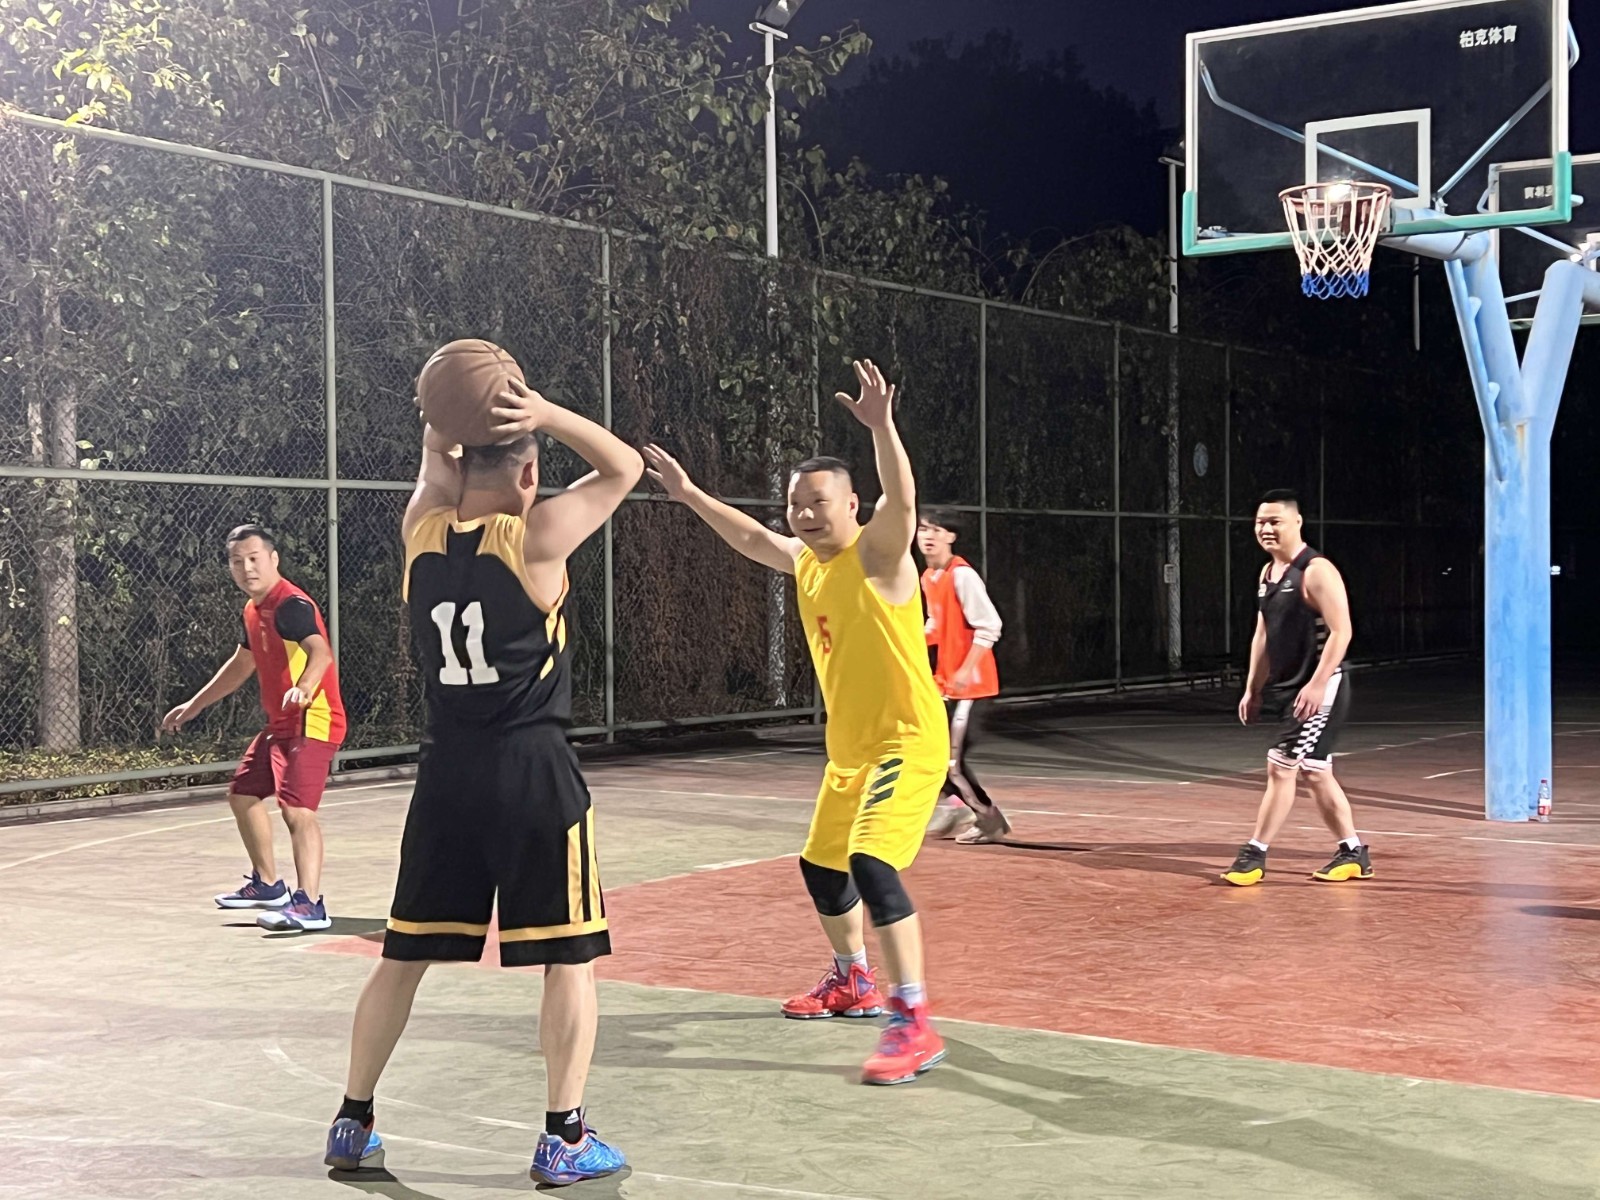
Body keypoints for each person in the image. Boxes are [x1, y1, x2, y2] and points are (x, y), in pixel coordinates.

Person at [324, 377, 642, 1184]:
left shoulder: (421, 532)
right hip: (532, 772)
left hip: (446, 777)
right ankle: (564, 1137)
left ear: (459, 463)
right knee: (568, 958)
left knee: (402, 957)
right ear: (530, 473)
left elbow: (435, 463)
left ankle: (352, 1122)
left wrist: (444, 413)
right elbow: (624, 468)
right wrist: (546, 413)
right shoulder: (535, 537)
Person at [643, 359, 949, 1086]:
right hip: (851, 751)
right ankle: (854, 980)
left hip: (906, 743)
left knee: (872, 863)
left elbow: (902, 501)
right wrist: (689, 494)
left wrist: (883, 429)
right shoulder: (808, 562)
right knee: (821, 866)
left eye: (819, 502)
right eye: (796, 504)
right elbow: (754, 539)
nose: (805, 514)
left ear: (852, 505)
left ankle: (914, 1020)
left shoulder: (878, 555)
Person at [162, 524, 344, 932]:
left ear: (273, 559)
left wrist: (304, 687)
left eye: (254, 559)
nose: (246, 568)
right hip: (280, 724)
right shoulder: (253, 609)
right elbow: (242, 663)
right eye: (237, 561)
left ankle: (310, 905)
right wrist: (194, 705)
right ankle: (268, 885)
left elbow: (320, 652)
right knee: (243, 795)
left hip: (312, 720)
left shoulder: (290, 605)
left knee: (297, 811)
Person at [1222, 489, 1371, 886]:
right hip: (1290, 688)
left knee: (1280, 764)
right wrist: (1252, 689)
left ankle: (1253, 855)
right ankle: (1353, 852)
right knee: (1316, 771)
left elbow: (1342, 631)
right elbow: (1262, 635)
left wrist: (1318, 684)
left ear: (1297, 523)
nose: (1266, 529)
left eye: (1275, 522)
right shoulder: (1267, 574)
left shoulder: (1316, 570)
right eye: (1260, 522)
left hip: (1322, 688)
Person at [916, 509, 1010, 844]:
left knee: (951, 763)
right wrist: (905, 641)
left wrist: (964, 672)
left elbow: (990, 626)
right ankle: (958, 807)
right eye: (923, 529)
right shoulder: (929, 577)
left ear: (951, 537)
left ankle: (989, 819)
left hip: (971, 686)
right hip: (946, 684)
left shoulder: (962, 576)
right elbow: (936, 624)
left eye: (937, 530)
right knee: (928, 755)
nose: (929, 536)